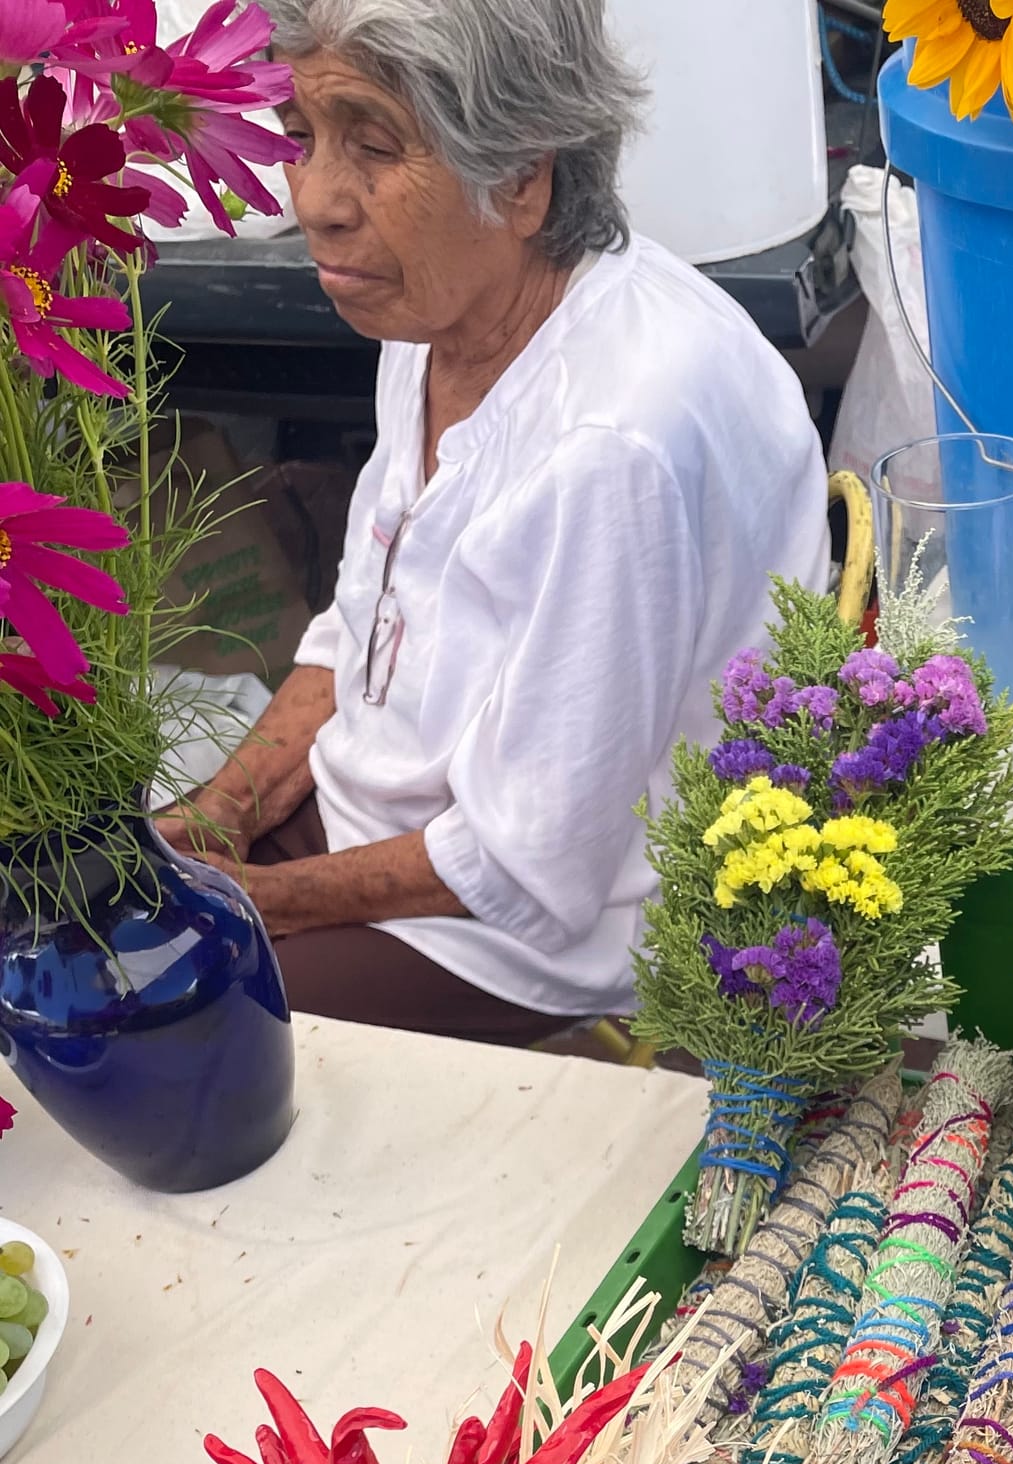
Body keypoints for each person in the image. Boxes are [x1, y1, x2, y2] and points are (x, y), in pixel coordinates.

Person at [163, 0, 831, 1047]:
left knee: (152, 1030)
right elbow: (357, 630)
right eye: (300, 138)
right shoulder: (441, 305)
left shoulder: (611, 441)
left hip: (538, 934)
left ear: (523, 178)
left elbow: (526, 868)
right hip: (393, 827)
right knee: (73, 917)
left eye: (373, 146)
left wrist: (251, 900)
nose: (317, 201)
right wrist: (214, 819)